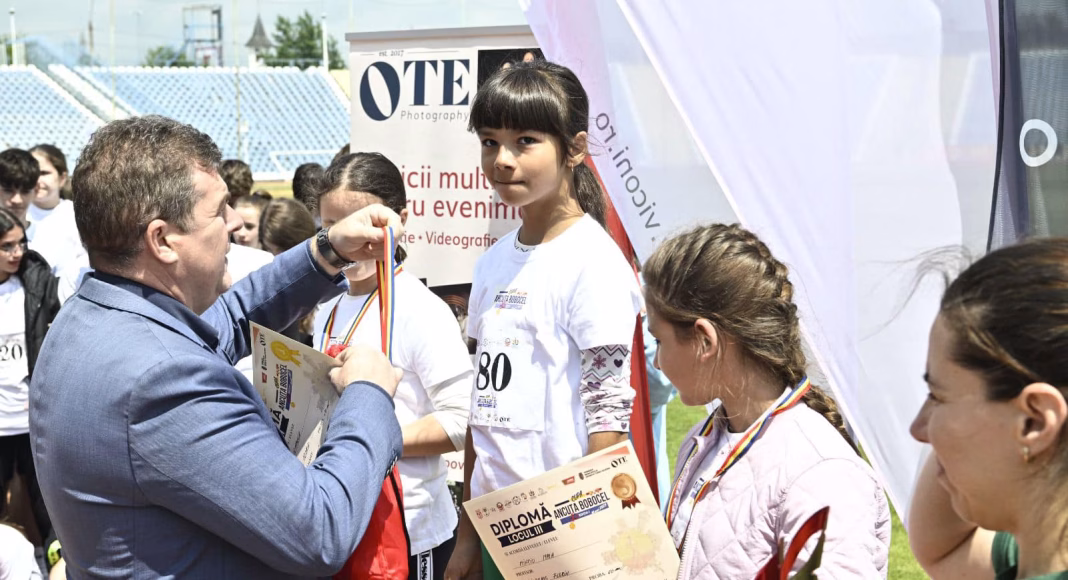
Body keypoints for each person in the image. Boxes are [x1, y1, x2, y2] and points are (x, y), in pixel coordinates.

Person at [29, 115, 407, 578]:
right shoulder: (163, 380)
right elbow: (320, 532)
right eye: (219, 210)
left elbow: (226, 322)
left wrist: (328, 250)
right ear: (162, 240)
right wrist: (368, 393)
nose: (235, 222)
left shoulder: (95, 314)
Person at [446, 60, 643, 580]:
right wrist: (467, 535)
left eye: (525, 141)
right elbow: (482, 410)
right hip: (495, 526)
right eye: (489, 142)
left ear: (574, 148)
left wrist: (592, 542)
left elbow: (608, 415)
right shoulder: (490, 264)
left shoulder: (593, 263)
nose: (502, 160)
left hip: (563, 537)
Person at [641, 223, 890, 578]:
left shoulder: (821, 473)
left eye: (659, 341)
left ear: (704, 341)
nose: (656, 361)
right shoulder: (702, 441)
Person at [315, 152, 472, 580]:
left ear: (399, 220)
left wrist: (371, 440)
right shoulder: (329, 308)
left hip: (410, 531)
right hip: (343, 524)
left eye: (365, 224)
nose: (350, 240)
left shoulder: (420, 310)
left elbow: (462, 421)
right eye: (331, 226)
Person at [909, 238, 1068, 580]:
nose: (919, 429)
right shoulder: (1036, 551)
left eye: (937, 396)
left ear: (1034, 421)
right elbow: (943, 547)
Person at [0, 207, 59, 551]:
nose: (17, 252)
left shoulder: (35, 283)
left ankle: (56, 563)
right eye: (7, 246)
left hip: (30, 417)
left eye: (21, 243)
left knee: (50, 507)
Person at [259, 197, 319, 346]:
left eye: (285, 251)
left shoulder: (329, 289)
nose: (278, 261)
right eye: (269, 251)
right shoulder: (264, 287)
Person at [27, 145, 89, 281]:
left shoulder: (78, 214)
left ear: (62, 178)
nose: (37, 180)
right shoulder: (15, 214)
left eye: (44, 173)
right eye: (32, 173)